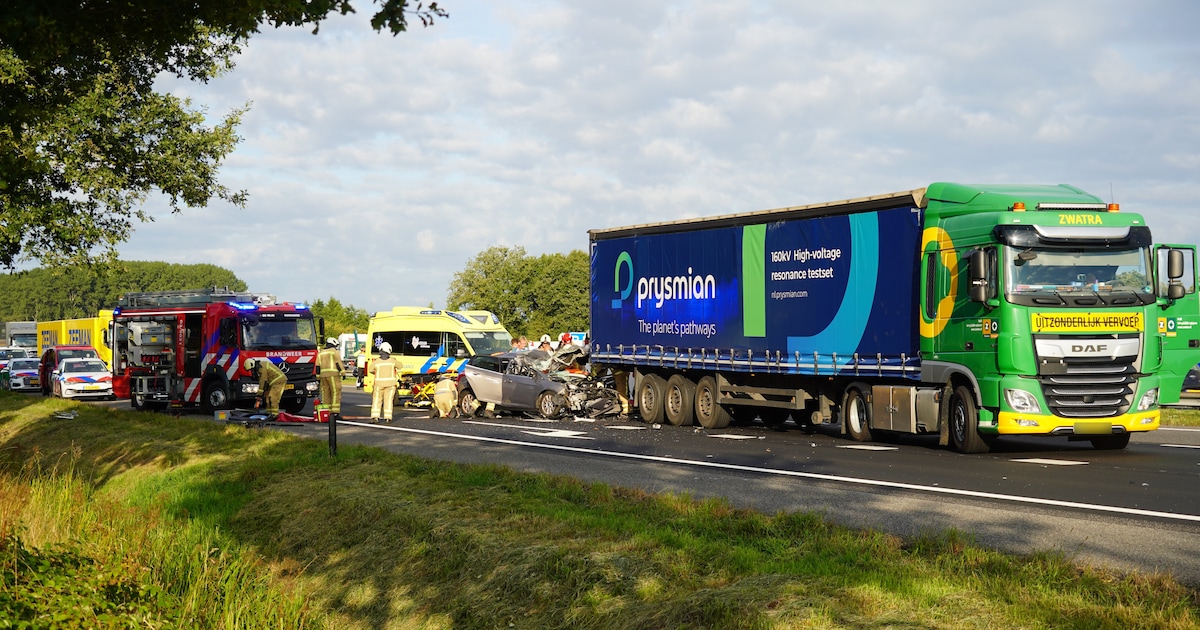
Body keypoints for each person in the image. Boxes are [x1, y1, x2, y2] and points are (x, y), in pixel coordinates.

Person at [317, 337, 345, 420]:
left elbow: (317, 366)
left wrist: (318, 377)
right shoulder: (334, 352)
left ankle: (326, 412)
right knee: (336, 392)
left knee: (326, 393)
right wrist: (343, 373)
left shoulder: (320, 353)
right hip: (333, 375)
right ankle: (335, 412)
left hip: (323, 376)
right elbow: (338, 363)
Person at [370, 341, 399, 423]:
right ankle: (388, 417)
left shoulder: (376, 361)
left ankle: (375, 417)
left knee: (376, 400)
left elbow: (370, 370)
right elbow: (400, 366)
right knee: (388, 400)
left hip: (378, 385)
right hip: (391, 385)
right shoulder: (392, 361)